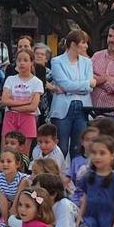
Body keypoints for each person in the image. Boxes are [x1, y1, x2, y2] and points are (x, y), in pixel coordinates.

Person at [49, 30, 95, 159]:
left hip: (82, 107)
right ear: (73, 44)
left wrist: (70, 88)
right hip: (63, 108)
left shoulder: (87, 62)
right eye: (83, 43)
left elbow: (90, 88)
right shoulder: (56, 61)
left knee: (78, 147)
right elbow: (66, 84)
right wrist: (86, 84)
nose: (86, 46)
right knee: (61, 147)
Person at [0, 49, 42, 158]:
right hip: (10, 117)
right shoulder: (10, 79)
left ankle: (22, 173)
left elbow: (33, 107)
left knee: (24, 153)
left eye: (25, 60)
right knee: (6, 150)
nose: (22, 63)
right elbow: (5, 100)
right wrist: (27, 101)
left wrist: (13, 106)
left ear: (31, 62)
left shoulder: (37, 82)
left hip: (28, 118)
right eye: (19, 60)